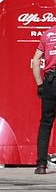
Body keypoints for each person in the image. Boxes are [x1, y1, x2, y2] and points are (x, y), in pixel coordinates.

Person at [32, 20, 56, 174]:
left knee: (46, 123)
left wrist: (40, 84)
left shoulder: (47, 34)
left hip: (50, 81)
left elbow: (36, 61)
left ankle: (41, 165)